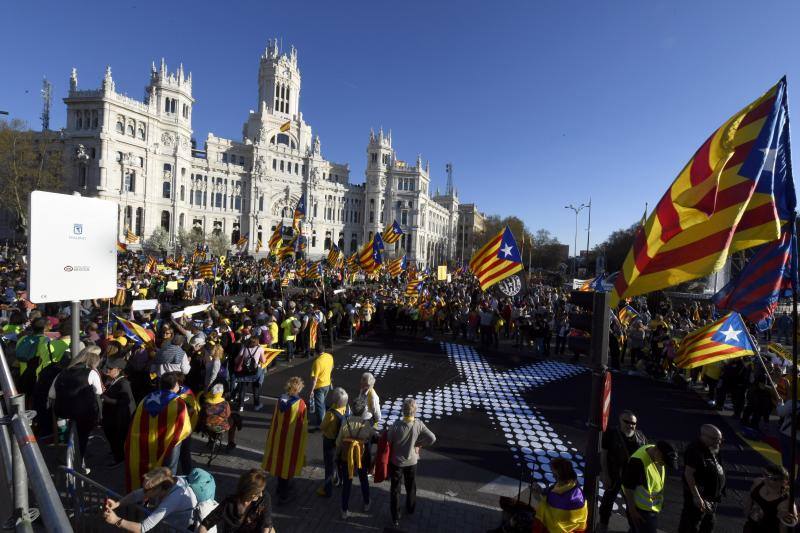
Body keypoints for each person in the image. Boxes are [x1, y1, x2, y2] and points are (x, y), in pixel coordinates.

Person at [124, 372, 193, 490]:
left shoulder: (146, 399)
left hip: (147, 442)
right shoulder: (178, 403)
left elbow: (136, 420)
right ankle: (166, 494)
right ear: (175, 385)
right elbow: (185, 428)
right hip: (168, 443)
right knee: (168, 470)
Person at [386, 397, 437, 527]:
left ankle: (395, 516)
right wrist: (419, 444)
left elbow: (389, 439)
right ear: (415, 411)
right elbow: (432, 438)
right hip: (412, 462)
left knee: (395, 489)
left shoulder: (396, 425)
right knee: (411, 486)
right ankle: (410, 508)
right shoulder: (418, 424)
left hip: (396, 463)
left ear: (403, 411)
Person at [49, 345, 104, 458]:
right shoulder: (91, 373)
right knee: (82, 436)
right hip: (83, 412)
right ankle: (79, 459)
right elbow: (98, 391)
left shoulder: (63, 372)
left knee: (68, 434)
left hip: (62, 410)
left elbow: (51, 394)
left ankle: (66, 455)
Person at [104, 466, 197, 532]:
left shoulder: (172, 500)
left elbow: (142, 528)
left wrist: (116, 520)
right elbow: (136, 495)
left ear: (160, 489)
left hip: (180, 527)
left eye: (146, 490)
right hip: (170, 522)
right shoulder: (166, 481)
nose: (143, 492)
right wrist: (117, 504)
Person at [262, 377, 308, 504]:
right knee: (288, 466)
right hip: (291, 441)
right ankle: (283, 495)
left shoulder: (280, 400)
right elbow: (302, 424)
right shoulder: (300, 404)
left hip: (278, 438)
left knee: (279, 462)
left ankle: (279, 488)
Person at [599, 410, 647, 531]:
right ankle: (603, 526)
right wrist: (605, 474)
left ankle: (633, 529)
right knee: (607, 502)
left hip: (632, 478)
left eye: (633, 423)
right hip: (615, 474)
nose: (631, 425)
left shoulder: (640, 436)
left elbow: (646, 456)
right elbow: (604, 454)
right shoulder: (611, 433)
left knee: (633, 506)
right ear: (620, 420)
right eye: (627, 421)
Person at [622, 440, 678, 533]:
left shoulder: (654, 451)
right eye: (664, 461)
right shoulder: (637, 461)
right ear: (657, 451)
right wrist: (632, 511)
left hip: (651, 507)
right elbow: (628, 488)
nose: (664, 464)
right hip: (641, 509)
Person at [335, 397, 376, 520]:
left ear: (352, 409)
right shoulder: (366, 424)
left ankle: (344, 509)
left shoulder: (345, 422)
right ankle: (367, 502)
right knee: (364, 480)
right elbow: (371, 437)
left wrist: (337, 455)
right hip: (361, 457)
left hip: (347, 457)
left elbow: (338, 443)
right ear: (364, 410)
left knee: (347, 483)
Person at [198, 469, 275, 533]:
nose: (261, 494)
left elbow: (266, 524)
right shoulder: (229, 504)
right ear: (249, 492)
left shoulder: (264, 498)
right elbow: (204, 525)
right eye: (258, 493)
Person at [531, 457, 587, 532]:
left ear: (559, 474)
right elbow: (551, 493)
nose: (553, 476)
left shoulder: (559, 497)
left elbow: (548, 512)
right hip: (577, 528)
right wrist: (541, 491)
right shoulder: (573, 485)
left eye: (554, 474)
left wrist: (536, 496)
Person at [101, 356, 136, 466]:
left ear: (119, 370)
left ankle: (119, 459)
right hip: (113, 416)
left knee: (116, 437)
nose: (107, 370)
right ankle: (117, 453)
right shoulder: (113, 380)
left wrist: (108, 400)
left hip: (119, 418)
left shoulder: (123, 383)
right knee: (113, 437)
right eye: (107, 368)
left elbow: (126, 402)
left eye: (110, 369)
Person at [743, 464, 798, 532]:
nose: (767, 479)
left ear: (783, 482)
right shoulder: (758, 482)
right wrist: (747, 511)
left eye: (773, 478)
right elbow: (750, 497)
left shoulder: (785, 501)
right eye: (765, 475)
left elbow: (790, 522)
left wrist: (787, 518)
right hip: (751, 526)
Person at [317, 387, 348, 498]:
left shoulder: (331, 413)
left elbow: (322, 426)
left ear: (334, 401)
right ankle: (339, 480)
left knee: (329, 466)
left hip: (329, 441)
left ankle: (327, 490)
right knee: (338, 463)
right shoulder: (346, 409)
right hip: (340, 442)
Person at [201, 384, 239, 451]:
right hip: (221, 427)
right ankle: (231, 442)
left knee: (210, 420)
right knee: (234, 420)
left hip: (207, 426)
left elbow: (202, 415)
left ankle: (211, 440)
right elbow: (228, 415)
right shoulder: (225, 404)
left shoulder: (206, 403)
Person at [308, 346, 333, 430]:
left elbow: (314, 379)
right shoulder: (329, 356)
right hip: (327, 384)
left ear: (316, 352)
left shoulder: (317, 362)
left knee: (319, 406)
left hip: (319, 387)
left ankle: (321, 424)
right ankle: (324, 420)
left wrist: (311, 390)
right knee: (322, 403)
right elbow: (332, 367)